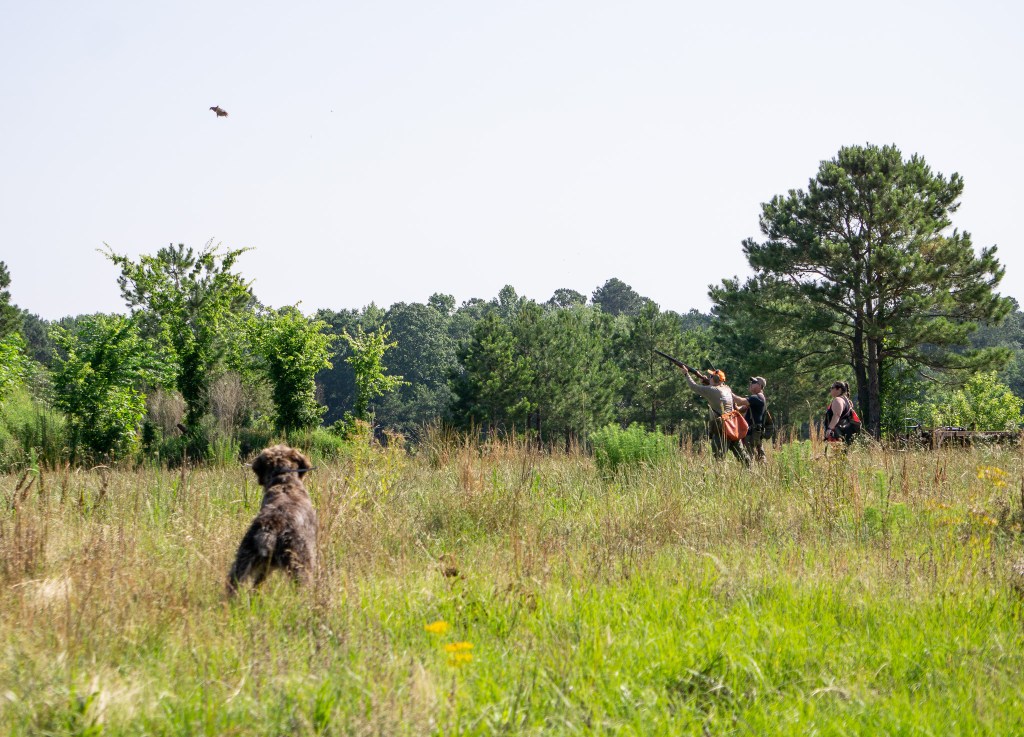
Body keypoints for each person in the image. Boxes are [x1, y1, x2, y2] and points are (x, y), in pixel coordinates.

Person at [681, 366, 751, 466]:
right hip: (733, 427)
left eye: (711, 376)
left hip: (721, 429)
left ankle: (721, 477)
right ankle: (751, 471)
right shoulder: (727, 388)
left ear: (715, 379)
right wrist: (706, 381)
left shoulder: (712, 390)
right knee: (742, 455)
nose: (709, 377)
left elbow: (693, 387)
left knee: (719, 458)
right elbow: (720, 392)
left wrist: (686, 374)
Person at [733, 376, 768, 462]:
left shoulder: (757, 398)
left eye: (754, 382)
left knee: (750, 456)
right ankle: (763, 472)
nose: (751, 384)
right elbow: (739, 409)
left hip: (752, 433)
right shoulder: (757, 398)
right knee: (760, 456)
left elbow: (740, 401)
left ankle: (753, 472)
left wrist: (726, 391)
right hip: (756, 432)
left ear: (760, 386)